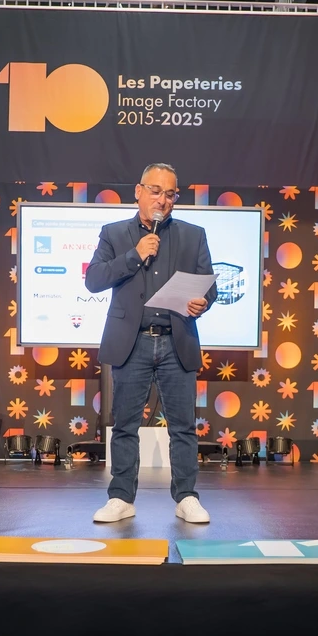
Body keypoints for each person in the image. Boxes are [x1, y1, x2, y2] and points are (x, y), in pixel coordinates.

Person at [85, 163, 216, 523]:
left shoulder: (193, 235)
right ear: (138, 191)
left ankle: (186, 496)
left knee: (183, 427)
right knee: (125, 425)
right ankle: (121, 497)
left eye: (170, 194)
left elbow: (209, 285)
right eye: (156, 191)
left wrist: (202, 302)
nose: (162, 200)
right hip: (133, 343)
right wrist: (135, 254)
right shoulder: (114, 233)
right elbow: (93, 280)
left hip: (177, 341)